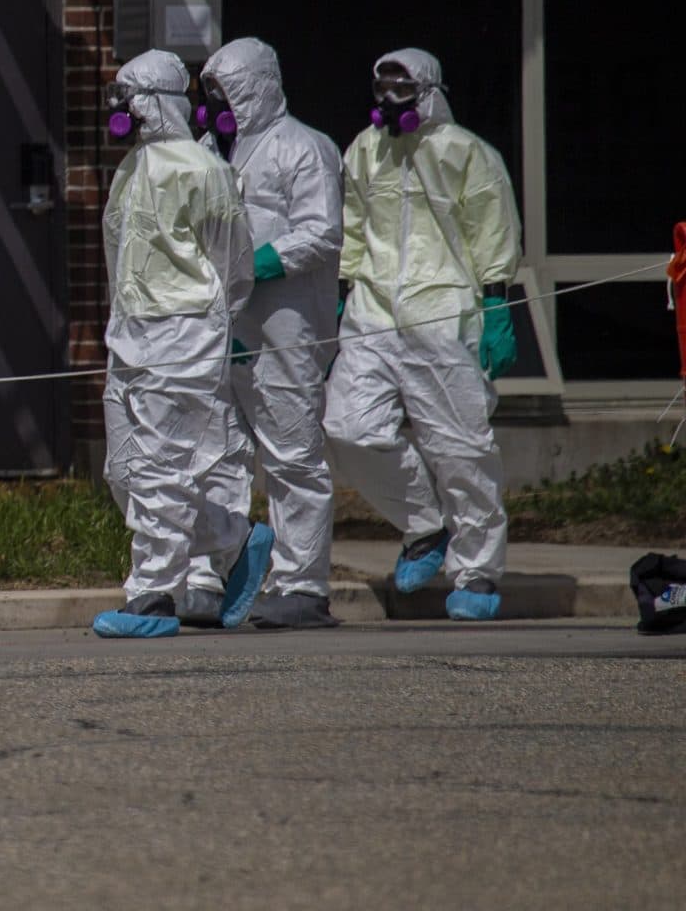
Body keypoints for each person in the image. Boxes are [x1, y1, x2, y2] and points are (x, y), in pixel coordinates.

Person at [323, 48, 521, 621]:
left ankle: (477, 571)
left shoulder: (467, 155)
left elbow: (494, 233)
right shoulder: (365, 148)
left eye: (401, 90)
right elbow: (353, 226)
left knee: (458, 446)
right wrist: (343, 293)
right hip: (374, 312)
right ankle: (425, 526)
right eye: (381, 88)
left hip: (444, 313)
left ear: (428, 92)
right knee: (348, 428)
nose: (388, 101)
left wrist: (497, 306)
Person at [94, 49, 274, 639]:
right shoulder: (129, 171)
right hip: (129, 336)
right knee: (125, 471)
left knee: (159, 470)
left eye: (132, 99)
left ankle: (153, 593)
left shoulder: (204, 169)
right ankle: (231, 538)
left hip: (183, 333)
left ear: (160, 102)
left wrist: (214, 328)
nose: (122, 111)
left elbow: (234, 262)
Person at [182, 38, 345, 630]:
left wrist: (255, 263)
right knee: (214, 447)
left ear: (254, 88)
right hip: (221, 321)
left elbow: (322, 231)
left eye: (224, 92)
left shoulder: (305, 148)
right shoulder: (204, 153)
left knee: (292, 453)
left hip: (286, 324)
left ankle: (302, 585)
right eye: (209, 94)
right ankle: (209, 575)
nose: (214, 104)